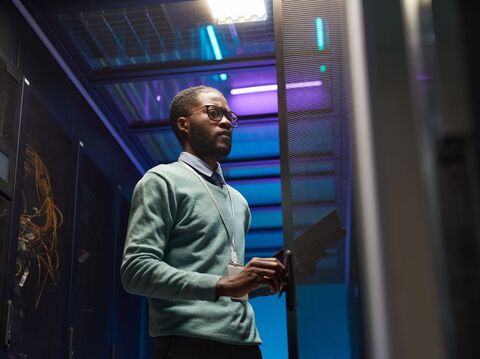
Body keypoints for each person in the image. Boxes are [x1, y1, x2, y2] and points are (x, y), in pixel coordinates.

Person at [121, 86, 288, 359]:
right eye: (213, 113)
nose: (225, 121)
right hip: (188, 343)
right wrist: (221, 284)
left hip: (247, 345)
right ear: (184, 124)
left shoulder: (239, 202)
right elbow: (135, 272)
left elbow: (226, 284)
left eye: (228, 116)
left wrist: (258, 281)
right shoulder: (162, 181)